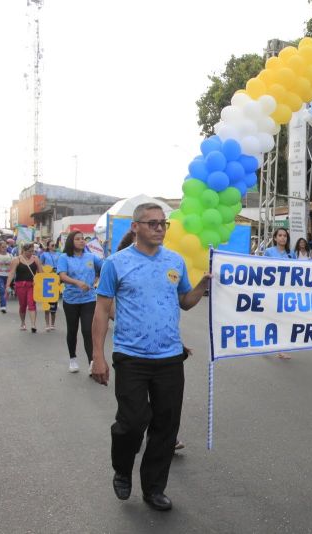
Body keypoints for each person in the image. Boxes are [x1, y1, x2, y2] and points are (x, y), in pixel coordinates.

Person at [91, 203, 210, 511]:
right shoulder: (116, 264)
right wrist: (98, 356)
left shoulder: (175, 261)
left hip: (170, 358)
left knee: (165, 426)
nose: (160, 228)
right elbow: (102, 311)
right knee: (131, 423)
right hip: (131, 356)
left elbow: (185, 301)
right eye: (153, 223)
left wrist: (202, 285)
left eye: (164, 224)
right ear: (136, 227)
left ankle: (154, 488)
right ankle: (122, 467)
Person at [57, 231, 103, 373]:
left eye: (83, 239)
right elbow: (62, 276)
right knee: (72, 330)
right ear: (71, 241)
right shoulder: (64, 258)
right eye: (77, 239)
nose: (81, 241)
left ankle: (92, 362)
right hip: (71, 300)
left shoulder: (91, 257)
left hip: (89, 299)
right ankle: (73, 359)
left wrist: (97, 277)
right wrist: (77, 282)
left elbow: (105, 267)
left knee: (87, 330)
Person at [6, 243, 43, 332]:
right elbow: (11, 273)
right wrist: (7, 285)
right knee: (22, 305)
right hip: (20, 285)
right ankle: (23, 323)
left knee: (32, 304)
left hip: (32, 285)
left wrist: (40, 282)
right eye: (28, 251)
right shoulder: (16, 259)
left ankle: (33, 324)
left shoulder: (36, 259)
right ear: (23, 250)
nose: (31, 253)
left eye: (32, 251)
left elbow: (41, 273)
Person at [39, 240, 60, 331]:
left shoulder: (60, 254)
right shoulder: (44, 254)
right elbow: (40, 265)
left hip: (56, 279)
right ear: (48, 246)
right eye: (52, 245)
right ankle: (47, 324)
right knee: (46, 303)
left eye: (55, 245)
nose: (54, 246)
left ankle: (53, 324)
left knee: (54, 302)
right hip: (46, 279)